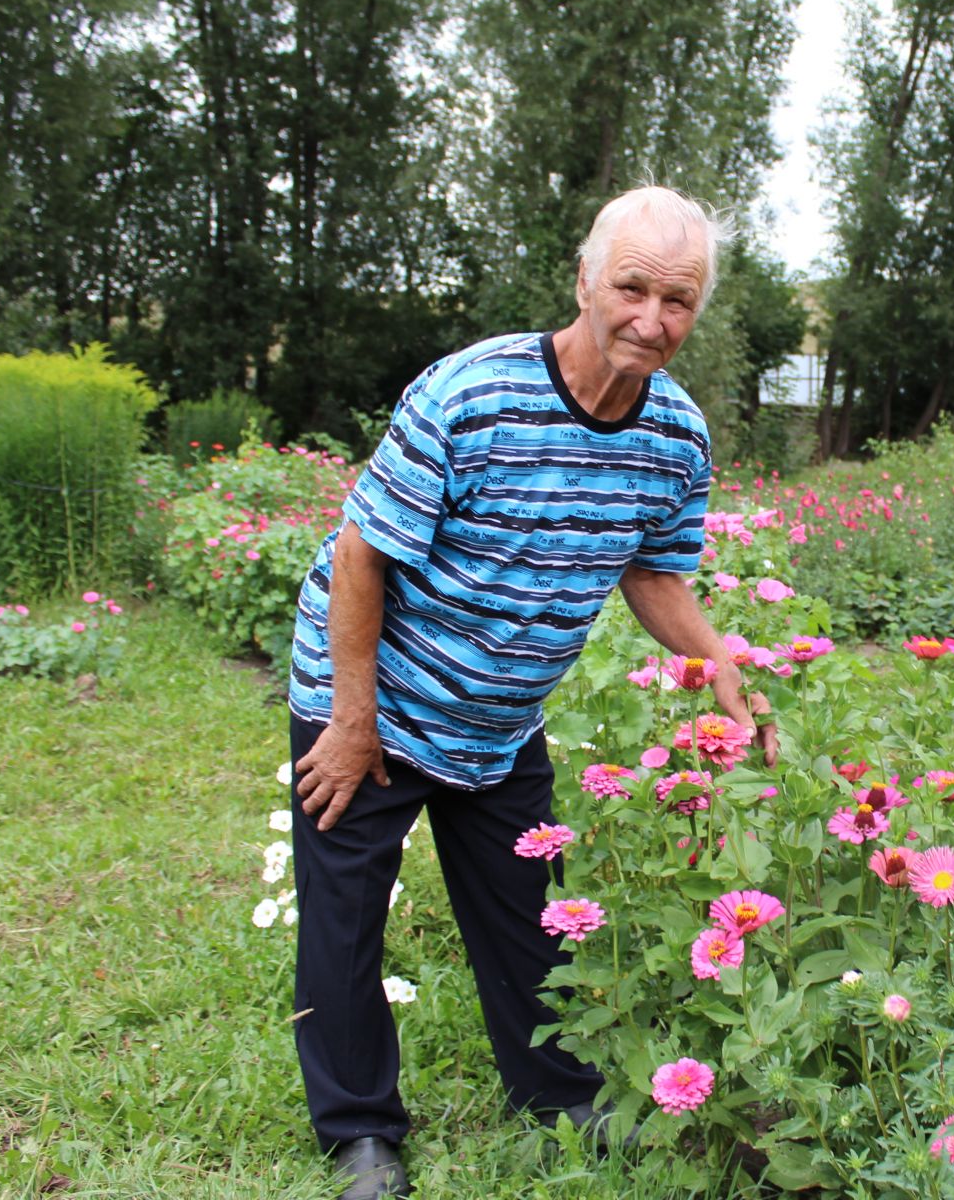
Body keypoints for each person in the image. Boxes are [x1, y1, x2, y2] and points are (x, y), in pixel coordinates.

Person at [284, 185, 776, 1200]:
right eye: (632, 286)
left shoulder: (676, 435)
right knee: (347, 918)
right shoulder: (471, 393)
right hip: (375, 697)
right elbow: (360, 552)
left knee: (530, 915)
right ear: (586, 278)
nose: (651, 317)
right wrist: (349, 719)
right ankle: (362, 1135)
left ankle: (561, 1098)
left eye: (677, 300)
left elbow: (654, 571)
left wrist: (721, 663)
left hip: (503, 720)